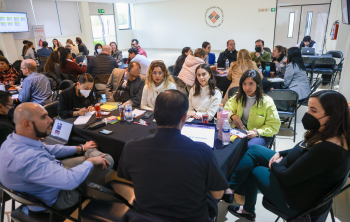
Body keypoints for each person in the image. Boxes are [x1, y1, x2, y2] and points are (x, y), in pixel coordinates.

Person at [226, 90, 350, 221]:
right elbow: (303, 147)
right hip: (298, 177)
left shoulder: (326, 150)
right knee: (255, 150)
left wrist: (274, 164)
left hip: (296, 200)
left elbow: (287, 177)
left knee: (253, 170)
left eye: (313, 110)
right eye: (308, 108)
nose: (307, 113)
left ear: (331, 116)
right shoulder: (333, 133)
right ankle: (229, 190)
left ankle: (243, 206)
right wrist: (281, 153)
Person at [117, 90, 229, 221]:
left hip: (145, 217)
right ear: (184, 117)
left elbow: (126, 178)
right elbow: (217, 194)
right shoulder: (203, 152)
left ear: (154, 112)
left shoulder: (131, 148)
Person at [0, 102, 114, 212]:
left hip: (52, 176)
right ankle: (94, 165)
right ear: (27, 124)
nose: (51, 120)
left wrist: (82, 147)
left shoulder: (12, 140)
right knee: (106, 160)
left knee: (92, 156)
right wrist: (90, 161)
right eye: (44, 117)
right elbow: (70, 181)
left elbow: (51, 149)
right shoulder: (29, 159)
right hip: (57, 197)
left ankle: (92, 156)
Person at [224, 70, 280, 148]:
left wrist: (256, 132)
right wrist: (232, 116)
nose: (247, 87)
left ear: (257, 85)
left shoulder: (267, 102)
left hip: (261, 134)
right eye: (244, 84)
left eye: (251, 84)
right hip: (242, 131)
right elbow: (225, 110)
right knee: (226, 142)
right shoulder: (238, 97)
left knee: (249, 146)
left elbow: (274, 126)